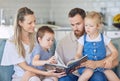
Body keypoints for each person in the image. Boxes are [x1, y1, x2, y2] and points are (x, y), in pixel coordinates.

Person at [1, 7, 64, 81]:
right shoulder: (12, 42)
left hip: (41, 74)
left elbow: (45, 57)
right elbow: (26, 67)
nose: (34, 25)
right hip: (23, 76)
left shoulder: (37, 38)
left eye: (34, 21)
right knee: (34, 79)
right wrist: (46, 74)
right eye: (30, 23)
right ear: (20, 23)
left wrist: (53, 66)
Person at [56, 8, 118, 81]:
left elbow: (115, 60)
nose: (75, 28)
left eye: (78, 24)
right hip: (76, 72)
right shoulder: (64, 42)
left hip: (97, 70)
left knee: (102, 77)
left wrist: (99, 63)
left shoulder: (102, 38)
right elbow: (58, 64)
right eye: (72, 25)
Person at [75, 11, 119, 81]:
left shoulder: (104, 38)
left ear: (98, 26)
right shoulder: (82, 39)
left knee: (112, 74)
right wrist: (78, 59)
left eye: (91, 26)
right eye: (86, 25)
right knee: (89, 72)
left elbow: (115, 52)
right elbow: (78, 53)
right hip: (87, 66)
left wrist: (109, 59)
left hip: (101, 65)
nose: (87, 28)